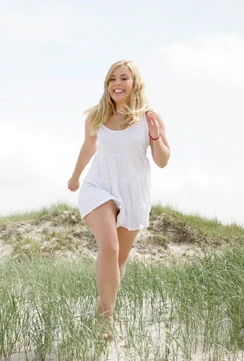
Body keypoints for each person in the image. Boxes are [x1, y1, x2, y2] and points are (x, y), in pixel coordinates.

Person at [67, 60, 170, 339]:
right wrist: (75, 177)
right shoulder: (97, 116)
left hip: (134, 192)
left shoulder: (149, 117)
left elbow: (162, 161)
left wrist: (155, 136)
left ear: (134, 82)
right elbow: (89, 148)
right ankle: (106, 321)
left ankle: (102, 308)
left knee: (119, 260)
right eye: (112, 79)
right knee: (109, 248)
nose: (117, 83)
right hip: (99, 185)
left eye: (123, 78)